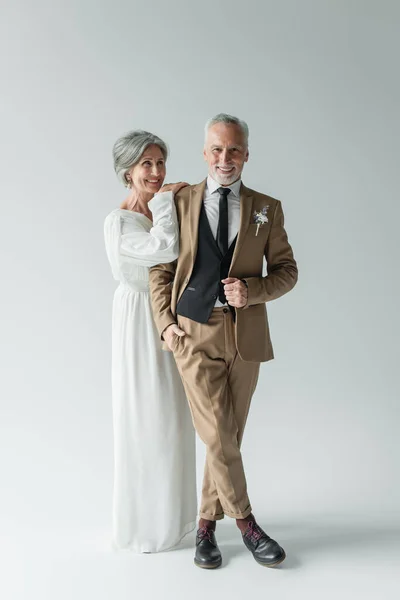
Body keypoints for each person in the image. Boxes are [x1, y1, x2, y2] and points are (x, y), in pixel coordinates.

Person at [149, 114, 298, 568]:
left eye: (234, 150)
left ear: (246, 154)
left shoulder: (266, 208)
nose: (225, 158)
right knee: (218, 431)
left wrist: (253, 291)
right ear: (204, 153)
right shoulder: (179, 202)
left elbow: (288, 271)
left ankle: (206, 528)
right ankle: (248, 525)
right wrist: (165, 324)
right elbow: (160, 268)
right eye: (217, 149)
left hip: (245, 336)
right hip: (192, 332)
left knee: (226, 437)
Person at [104, 129, 197, 553]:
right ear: (127, 172)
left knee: (173, 419)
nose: (158, 172)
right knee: (147, 416)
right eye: (147, 164)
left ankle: (177, 519)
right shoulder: (119, 221)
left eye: (161, 162)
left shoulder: (158, 209)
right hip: (139, 322)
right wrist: (165, 201)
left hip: (164, 315)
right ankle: (146, 525)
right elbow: (165, 248)